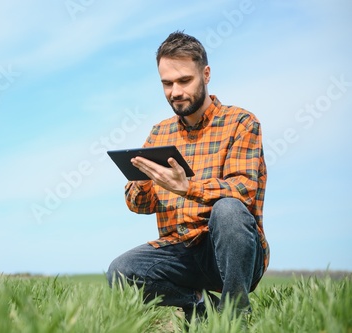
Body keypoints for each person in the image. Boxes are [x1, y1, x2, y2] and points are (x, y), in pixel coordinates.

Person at [106, 31, 270, 322]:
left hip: (234, 252)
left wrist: (186, 187)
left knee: (228, 209)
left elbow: (244, 189)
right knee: (119, 272)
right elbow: (139, 205)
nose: (175, 92)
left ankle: (235, 315)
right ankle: (200, 308)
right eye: (167, 83)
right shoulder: (160, 133)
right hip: (181, 250)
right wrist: (144, 177)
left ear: (205, 74)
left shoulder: (241, 122)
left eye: (184, 80)